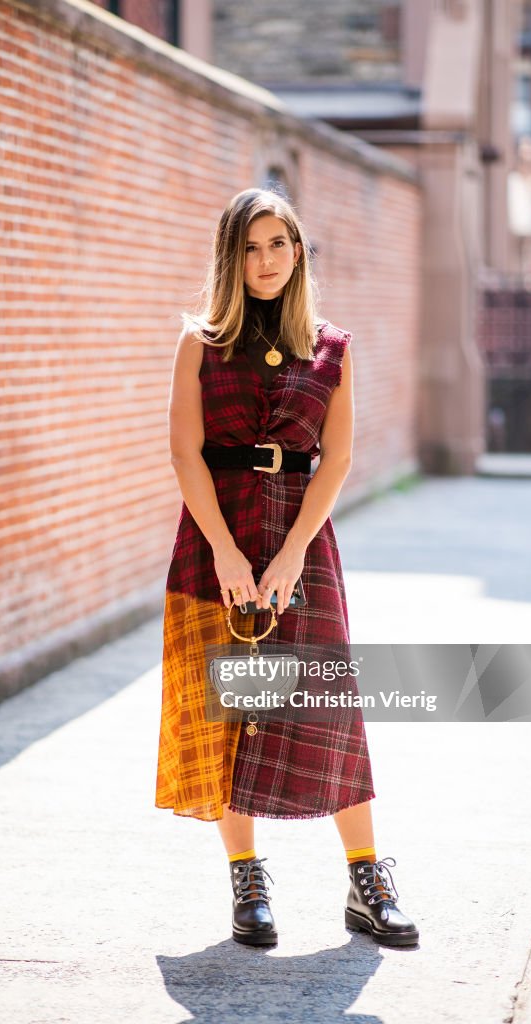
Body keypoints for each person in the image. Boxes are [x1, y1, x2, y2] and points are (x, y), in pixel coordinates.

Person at [155, 187, 418, 949]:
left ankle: (366, 881)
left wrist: (296, 547)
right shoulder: (198, 342)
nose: (264, 261)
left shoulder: (332, 346)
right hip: (217, 537)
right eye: (249, 246)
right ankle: (246, 883)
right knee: (229, 713)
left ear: (297, 252)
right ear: (229, 256)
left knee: (328, 710)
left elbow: (335, 459)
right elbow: (184, 452)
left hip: (304, 539)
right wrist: (229, 553)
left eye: (278, 244)